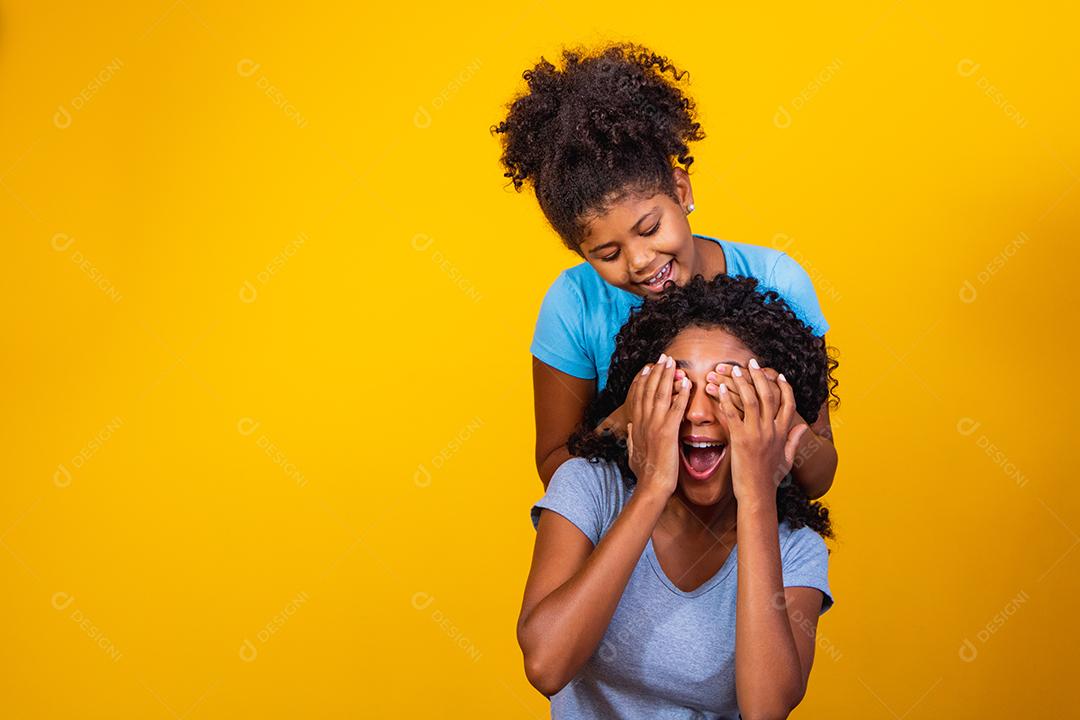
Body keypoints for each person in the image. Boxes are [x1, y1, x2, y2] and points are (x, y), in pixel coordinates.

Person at [490, 42, 838, 496]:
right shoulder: (573, 304)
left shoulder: (778, 280)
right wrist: (624, 419)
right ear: (579, 252)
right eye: (607, 255)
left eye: (650, 228)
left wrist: (778, 414)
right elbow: (555, 470)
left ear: (681, 189)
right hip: (628, 538)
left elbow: (821, 476)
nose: (639, 261)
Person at [518, 273, 838, 719]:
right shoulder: (588, 488)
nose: (700, 413)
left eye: (728, 390)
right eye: (678, 387)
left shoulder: (793, 546)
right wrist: (651, 488)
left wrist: (758, 497)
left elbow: (766, 709)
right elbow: (546, 665)